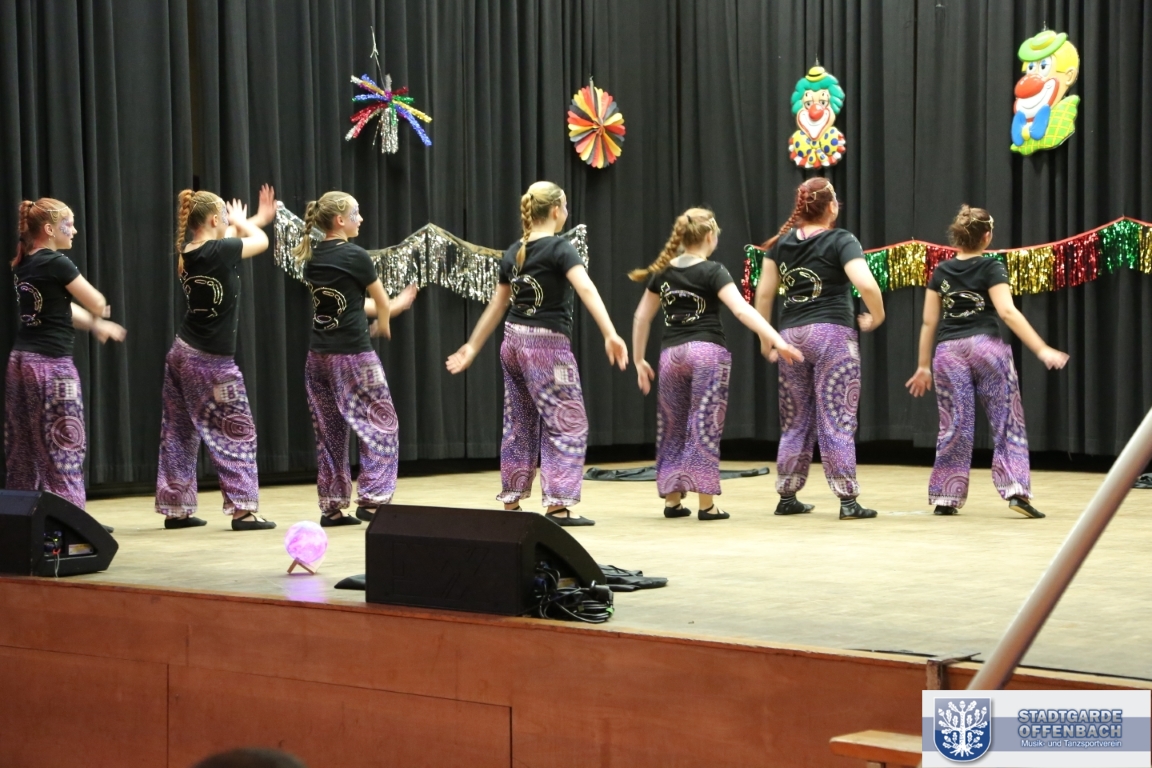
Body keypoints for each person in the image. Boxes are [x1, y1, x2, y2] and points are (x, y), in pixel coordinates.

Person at [446, 181, 628, 527]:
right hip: (546, 347)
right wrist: (610, 333)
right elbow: (586, 287)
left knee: (520, 422)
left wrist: (472, 345)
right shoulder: (560, 248)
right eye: (566, 206)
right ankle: (558, 505)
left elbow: (497, 305)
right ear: (557, 210)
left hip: (512, 342)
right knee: (567, 422)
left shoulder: (515, 250)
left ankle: (512, 501)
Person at [630, 208, 803, 520]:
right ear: (710, 237)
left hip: (671, 356)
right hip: (707, 354)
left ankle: (672, 501)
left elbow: (642, 316)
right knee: (704, 425)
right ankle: (706, 505)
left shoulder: (662, 272)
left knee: (672, 426)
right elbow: (741, 310)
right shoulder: (713, 271)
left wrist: (639, 358)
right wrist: (777, 339)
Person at [905, 205, 1068, 518]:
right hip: (986, 348)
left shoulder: (941, 271)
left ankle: (946, 496)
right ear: (987, 237)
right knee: (1007, 420)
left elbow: (928, 322)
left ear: (957, 237)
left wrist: (923, 366)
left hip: (948, 352)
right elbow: (1007, 311)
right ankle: (1016, 491)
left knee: (954, 424)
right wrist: (1042, 348)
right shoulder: (992, 266)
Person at [754, 177, 885, 520]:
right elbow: (866, 284)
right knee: (837, 417)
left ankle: (787, 496)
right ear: (831, 207)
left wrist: (767, 340)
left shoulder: (780, 245)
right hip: (832, 336)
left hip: (791, 338)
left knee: (795, 419)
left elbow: (764, 296)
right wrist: (878, 314)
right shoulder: (841, 240)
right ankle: (847, 501)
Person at [155, 184, 278, 531]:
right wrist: (251, 222)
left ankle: (176, 508)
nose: (228, 221)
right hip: (210, 363)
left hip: (182, 353)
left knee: (178, 431)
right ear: (213, 219)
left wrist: (248, 219)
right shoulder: (219, 251)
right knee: (236, 429)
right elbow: (260, 241)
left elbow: (232, 239)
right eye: (224, 216)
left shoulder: (191, 249)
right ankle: (243, 510)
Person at [294, 191, 416, 527]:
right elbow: (380, 300)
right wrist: (385, 321)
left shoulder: (313, 256)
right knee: (381, 424)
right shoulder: (355, 255)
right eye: (356, 213)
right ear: (339, 220)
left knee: (330, 432)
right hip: (352, 356)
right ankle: (373, 501)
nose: (360, 219)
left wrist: (393, 307)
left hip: (318, 358)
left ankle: (332, 507)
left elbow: (346, 304)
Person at [6, 198, 126, 514]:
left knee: (23, 448)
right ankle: (70, 521)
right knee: (64, 443)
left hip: (21, 363)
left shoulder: (25, 261)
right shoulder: (58, 262)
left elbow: (61, 307)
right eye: (68, 224)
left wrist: (95, 324)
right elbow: (95, 301)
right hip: (51, 367)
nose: (73, 230)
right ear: (49, 229)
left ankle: (22, 521)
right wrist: (100, 311)